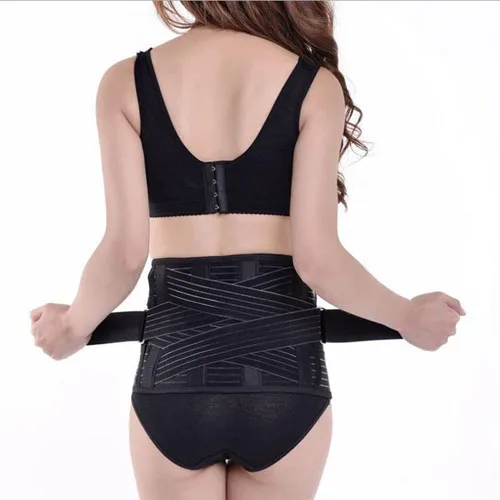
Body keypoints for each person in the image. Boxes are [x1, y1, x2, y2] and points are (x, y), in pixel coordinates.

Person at [29, 2, 466, 499]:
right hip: (285, 382)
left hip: (173, 381)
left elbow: (125, 253)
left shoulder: (125, 82)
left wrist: (72, 326)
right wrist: (407, 316)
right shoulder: (313, 85)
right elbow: (318, 261)